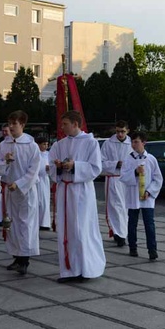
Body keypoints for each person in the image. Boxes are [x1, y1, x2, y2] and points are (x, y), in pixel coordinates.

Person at [49, 110, 106, 283]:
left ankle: (86, 269)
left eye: (65, 124)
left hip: (81, 192)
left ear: (75, 124)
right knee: (66, 231)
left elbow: (96, 168)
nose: (62, 127)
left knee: (81, 230)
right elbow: (51, 165)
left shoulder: (90, 142)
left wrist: (75, 166)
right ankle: (69, 270)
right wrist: (58, 166)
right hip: (64, 191)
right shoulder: (59, 144)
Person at [0, 111, 41, 275]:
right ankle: (16, 256)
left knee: (25, 224)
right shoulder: (3, 145)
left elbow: (33, 171)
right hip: (9, 190)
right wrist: (5, 161)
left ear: (22, 125)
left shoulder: (31, 145)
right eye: (9, 123)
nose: (11, 127)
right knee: (11, 224)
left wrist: (19, 184)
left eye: (15, 123)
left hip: (25, 191)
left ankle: (25, 260)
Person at [120, 131, 163, 260]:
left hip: (147, 198)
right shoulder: (128, 159)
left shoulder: (151, 159)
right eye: (132, 142)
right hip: (133, 196)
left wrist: (150, 191)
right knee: (132, 223)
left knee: (149, 224)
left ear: (144, 143)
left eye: (136, 142)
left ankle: (152, 250)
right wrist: (134, 172)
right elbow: (123, 177)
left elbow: (158, 178)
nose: (134, 144)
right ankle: (133, 247)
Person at [100, 120, 132, 247]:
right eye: (118, 131)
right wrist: (115, 164)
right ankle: (119, 233)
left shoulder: (131, 144)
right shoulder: (108, 144)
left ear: (127, 131)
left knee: (125, 207)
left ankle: (123, 231)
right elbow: (100, 163)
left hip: (127, 180)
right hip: (113, 178)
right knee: (115, 206)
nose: (120, 134)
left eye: (123, 131)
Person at [36, 137, 51, 231]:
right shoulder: (36, 154)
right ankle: (36, 222)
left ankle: (44, 222)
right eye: (43, 144)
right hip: (37, 179)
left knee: (45, 201)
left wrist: (50, 169)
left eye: (46, 144)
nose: (45, 146)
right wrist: (43, 168)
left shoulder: (48, 154)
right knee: (37, 201)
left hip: (45, 179)